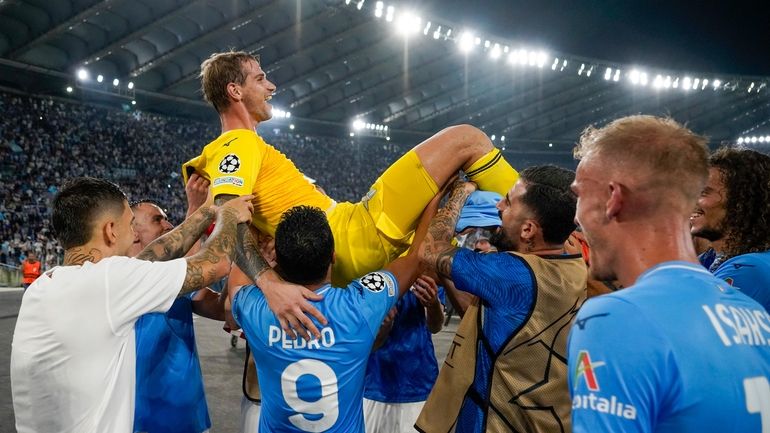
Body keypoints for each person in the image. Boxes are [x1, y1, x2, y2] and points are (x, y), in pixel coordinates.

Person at [182, 51, 518, 336]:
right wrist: (270, 284)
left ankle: (506, 229)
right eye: (259, 79)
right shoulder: (236, 142)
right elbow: (229, 222)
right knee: (467, 139)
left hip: (344, 246)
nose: (271, 86)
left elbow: (240, 226)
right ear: (234, 91)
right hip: (352, 232)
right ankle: (532, 214)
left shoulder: (249, 149)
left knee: (452, 234)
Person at [567, 115, 770, 432]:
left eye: (579, 194)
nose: (576, 216)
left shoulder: (616, 319)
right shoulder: (753, 314)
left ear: (613, 199)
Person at [10, 177, 254, 433]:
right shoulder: (109, 281)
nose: (134, 233)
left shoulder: (44, 286)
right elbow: (214, 265)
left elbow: (153, 255)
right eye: (130, 225)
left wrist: (205, 210)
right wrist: (228, 214)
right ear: (110, 230)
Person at [229, 194, 438, 432]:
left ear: (276, 258)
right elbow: (417, 258)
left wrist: (241, 219)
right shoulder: (358, 306)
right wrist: (432, 197)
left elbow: (237, 281)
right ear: (334, 256)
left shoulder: (257, 310)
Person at [416, 167, 588, 433]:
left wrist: (460, 194)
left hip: (497, 424)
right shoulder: (576, 266)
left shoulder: (513, 274)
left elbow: (430, 250)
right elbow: (488, 324)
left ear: (528, 229)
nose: (499, 205)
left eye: (508, 201)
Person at [131, 174, 226, 433]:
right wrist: (200, 210)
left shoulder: (171, 281)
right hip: (141, 421)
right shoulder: (123, 278)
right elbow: (206, 262)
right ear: (131, 233)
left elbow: (223, 310)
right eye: (157, 219)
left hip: (188, 417)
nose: (168, 224)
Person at [362, 273, 445, 433]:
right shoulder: (371, 270)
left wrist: (433, 303)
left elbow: (435, 326)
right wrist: (383, 326)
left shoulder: (425, 269)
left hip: (419, 384)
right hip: (374, 384)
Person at [690, 147, 770, 311]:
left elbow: (691, 328)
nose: (692, 201)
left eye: (704, 192)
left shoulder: (747, 269)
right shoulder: (710, 259)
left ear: (740, 202)